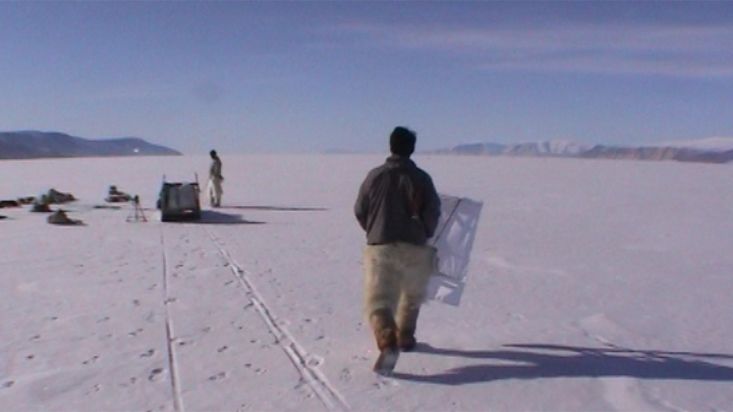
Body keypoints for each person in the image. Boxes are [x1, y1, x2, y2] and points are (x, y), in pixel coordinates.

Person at [354, 126, 441, 358]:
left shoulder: (375, 176)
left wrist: (373, 230)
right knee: (411, 296)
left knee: (379, 300)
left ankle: (386, 338)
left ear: (391, 146)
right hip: (415, 246)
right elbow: (433, 211)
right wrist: (424, 232)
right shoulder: (422, 178)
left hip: (381, 246)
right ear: (412, 149)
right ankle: (405, 336)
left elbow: (360, 209)